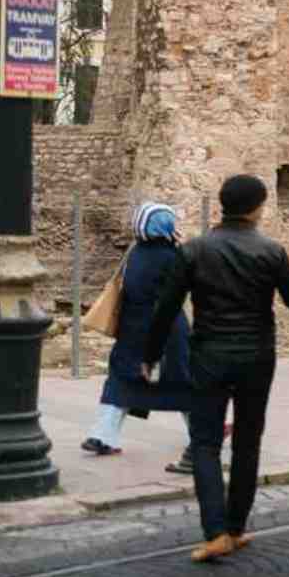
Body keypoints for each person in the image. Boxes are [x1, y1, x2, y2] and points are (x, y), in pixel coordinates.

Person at [143, 174, 289, 563]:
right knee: (249, 442)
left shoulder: (195, 250)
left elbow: (166, 308)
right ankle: (235, 527)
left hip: (209, 355)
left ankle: (215, 530)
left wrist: (149, 355)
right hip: (256, 357)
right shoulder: (271, 251)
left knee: (205, 442)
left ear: (223, 204)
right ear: (258, 207)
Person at [85, 202, 193, 471]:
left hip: (132, 329)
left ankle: (102, 435)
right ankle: (204, 433)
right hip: (167, 330)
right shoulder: (173, 256)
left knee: (122, 382)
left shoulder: (134, 253)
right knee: (184, 383)